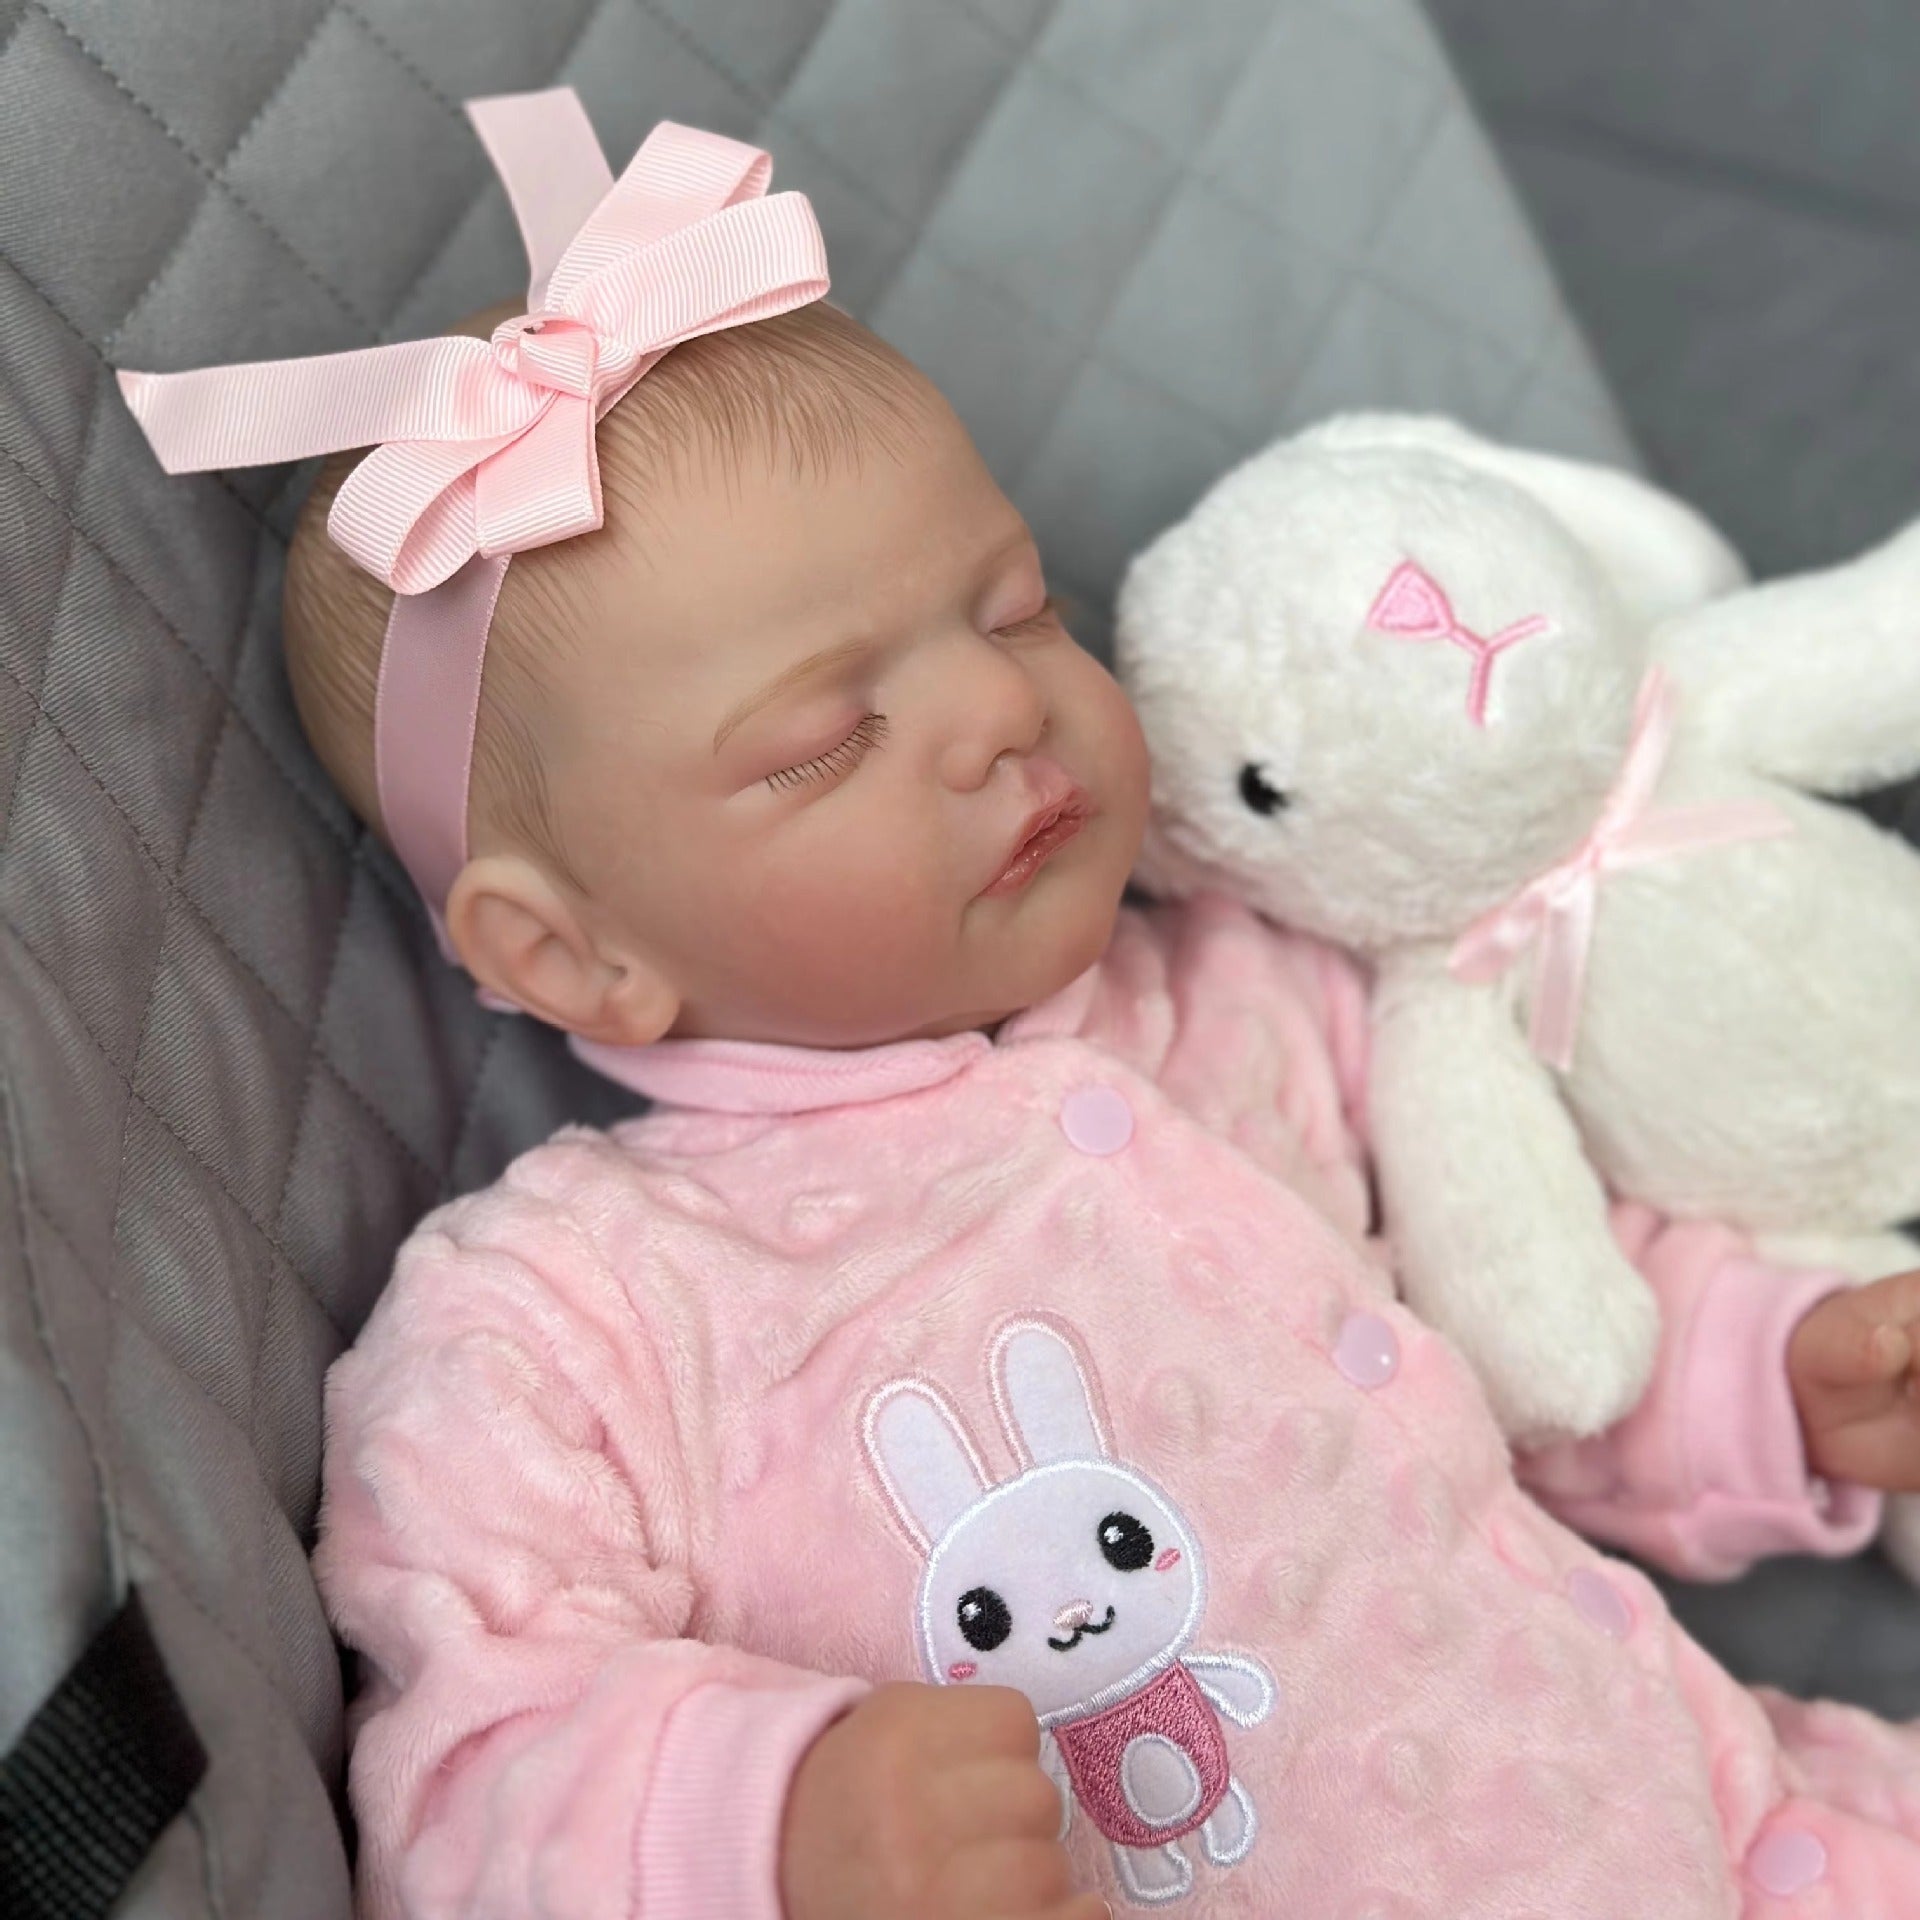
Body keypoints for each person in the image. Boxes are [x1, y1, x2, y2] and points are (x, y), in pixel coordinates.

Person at [119, 94, 1920, 1920]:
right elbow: (466, 1758)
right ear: (574, 954)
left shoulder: (1249, 1011)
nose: (999, 710)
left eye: (1016, 608)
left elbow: (1529, 1311)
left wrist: (1771, 1373)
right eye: (827, 738)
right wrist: (771, 1823)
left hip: (1721, 1823)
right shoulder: (577, 1313)